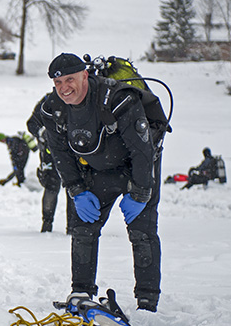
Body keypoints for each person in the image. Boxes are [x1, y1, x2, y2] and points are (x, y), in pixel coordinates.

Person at [40, 53, 162, 312]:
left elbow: (143, 151)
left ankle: (147, 301)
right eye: (58, 82)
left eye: (70, 80)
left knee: (142, 232)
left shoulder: (117, 99)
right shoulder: (53, 108)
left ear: (85, 75)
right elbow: (60, 153)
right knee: (83, 229)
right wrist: (76, 190)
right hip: (96, 169)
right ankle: (81, 292)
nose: (64, 88)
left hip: (137, 168)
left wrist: (140, 192)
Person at [27, 95, 68, 233]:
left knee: (76, 189)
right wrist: (42, 133)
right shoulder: (49, 100)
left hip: (74, 153)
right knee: (51, 186)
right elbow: (32, 123)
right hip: (51, 154)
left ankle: (75, 228)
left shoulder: (80, 98)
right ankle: (47, 224)